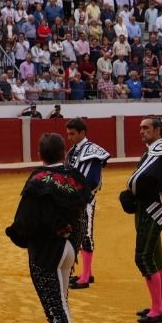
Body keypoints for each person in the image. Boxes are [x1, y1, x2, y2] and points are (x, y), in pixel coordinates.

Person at [5, 133, 92, 323]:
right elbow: (83, 217)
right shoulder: (76, 178)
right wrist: (73, 244)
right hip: (68, 250)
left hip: (46, 252)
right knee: (60, 302)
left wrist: (19, 236)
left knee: (56, 306)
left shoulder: (38, 180)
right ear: (64, 152)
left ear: (40, 153)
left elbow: (26, 220)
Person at [121, 117, 162, 323]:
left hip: (151, 208)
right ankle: (161, 305)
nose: (142, 131)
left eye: (146, 128)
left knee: (144, 257)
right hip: (150, 206)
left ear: (158, 129)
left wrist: (140, 191)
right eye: (140, 128)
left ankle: (158, 309)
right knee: (156, 257)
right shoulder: (158, 149)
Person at [64, 117, 111, 290]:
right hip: (74, 200)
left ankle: (85, 277)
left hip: (85, 200)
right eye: (68, 134)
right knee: (78, 234)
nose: (69, 137)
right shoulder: (73, 150)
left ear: (82, 133)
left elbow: (93, 180)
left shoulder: (92, 150)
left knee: (86, 236)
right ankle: (87, 273)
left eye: (72, 134)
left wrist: (79, 195)